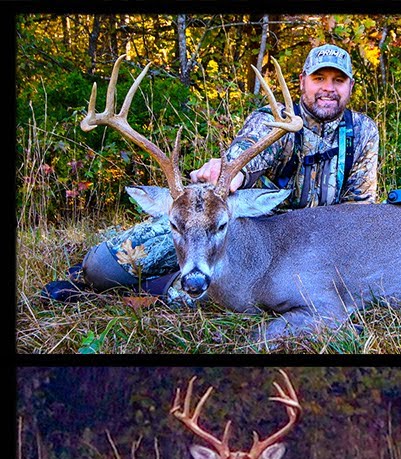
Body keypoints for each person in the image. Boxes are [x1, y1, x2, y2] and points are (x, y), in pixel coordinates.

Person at [45, 44, 381, 302]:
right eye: (319, 78)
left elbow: (360, 209)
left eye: (338, 80)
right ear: (302, 82)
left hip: (303, 247)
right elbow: (244, 155)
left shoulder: (363, 131)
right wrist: (229, 175)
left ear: (349, 86)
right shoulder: (275, 121)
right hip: (239, 225)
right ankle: (88, 278)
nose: (328, 88)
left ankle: (157, 289)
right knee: (105, 267)